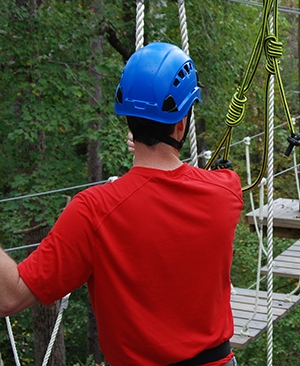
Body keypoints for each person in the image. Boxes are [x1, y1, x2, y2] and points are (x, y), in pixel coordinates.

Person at [0, 43, 244, 366]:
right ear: (182, 125)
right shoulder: (226, 192)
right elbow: (177, 179)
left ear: (128, 121)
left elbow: (10, 295)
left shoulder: (94, 212)